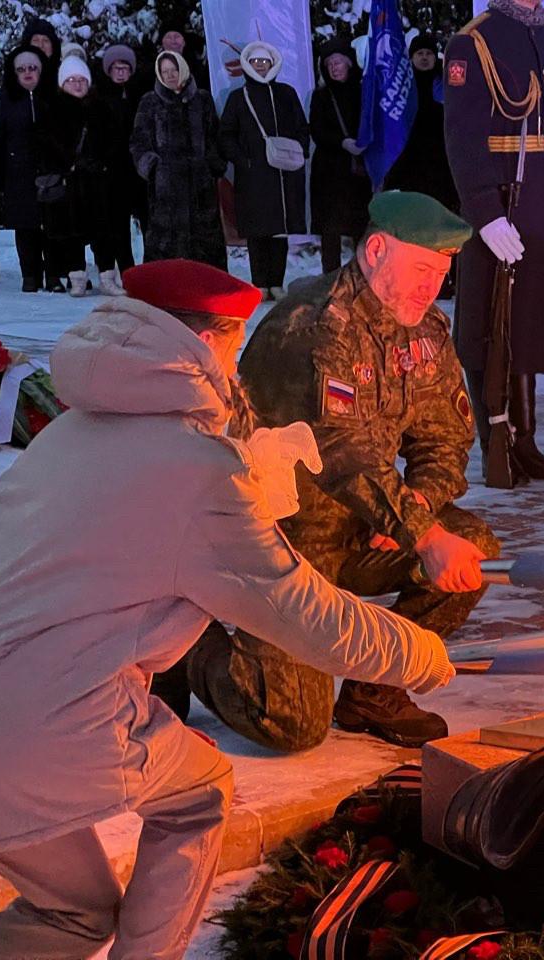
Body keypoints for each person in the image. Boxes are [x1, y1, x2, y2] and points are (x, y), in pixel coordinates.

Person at [0, 258, 454, 960]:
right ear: (209, 342)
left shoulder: (72, 433)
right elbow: (302, 614)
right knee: (197, 796)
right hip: (36, 722)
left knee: (72, 914)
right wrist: (422, 654)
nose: (236, 365)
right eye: (235, 344)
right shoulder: (194, 467)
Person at [157, 192, 494, 751]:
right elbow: (340, 450)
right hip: (280, 539)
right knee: (291, 724)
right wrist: (419, 531)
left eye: (441, 273)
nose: (432, 287)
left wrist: (417, 504)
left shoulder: (425, 328)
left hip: (365, 525)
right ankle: (187, 646)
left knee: (472, 548)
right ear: (377, 251)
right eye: (422, 270)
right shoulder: (316, 325)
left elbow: (446, 436)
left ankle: (373, 692)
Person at [444, 0, 544, 484]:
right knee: (489, 323)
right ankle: (496, 445)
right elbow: (462, 137)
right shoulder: (473, 42)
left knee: (526, 323)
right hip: (502, 199)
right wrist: (484, 211)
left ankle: (525, 442)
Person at [219, 39, 309, 301]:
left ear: (273, 64)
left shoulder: (286, 93)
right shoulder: (238, 97)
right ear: (247, 64)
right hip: (253, 176)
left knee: (280, 230)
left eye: (264, 61)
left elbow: (301, 126)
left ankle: (277, 282)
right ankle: (259, 282)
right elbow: (226, 134)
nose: (259, 66)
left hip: (284, 173)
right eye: (255, 61)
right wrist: (242, 160)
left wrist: (300, 151)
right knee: (257, 231)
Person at [131, 49, 226, 268]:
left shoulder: (202, 99)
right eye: (165, 71)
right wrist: (153, 167)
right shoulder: (150, 102)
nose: (170, 75)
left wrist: (213, 165)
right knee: (166, 248)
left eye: (174, 70)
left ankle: (208, 285)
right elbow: (139, 142)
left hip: (201, 186)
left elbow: (214, 136)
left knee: (206, 245)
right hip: (166, 189)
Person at [42, 56, 118, 297]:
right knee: (71, 232)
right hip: (70, 181)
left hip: (97, 180)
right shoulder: (53, 111)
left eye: (81, 79)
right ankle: (76, 277)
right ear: (62, 83)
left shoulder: (101, 108)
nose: (77, 84)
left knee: (103, 232)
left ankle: (107, 277)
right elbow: (47, 146)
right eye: (71, 80)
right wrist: (66, 165)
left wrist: (102, 165)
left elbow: (113, 142)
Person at [0, 45, 51, 292]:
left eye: (32, 68)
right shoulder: (6, 100)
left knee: (51, 224)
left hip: (48, 170)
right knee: (24, 225)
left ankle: (53, 274)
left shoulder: (51, 97)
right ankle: (29, 275)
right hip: (17, 171)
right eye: (21, 69)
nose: (28, 73)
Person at [308, 38, 370, 274]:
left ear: (349, 63)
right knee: (330, 229)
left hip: (358, 172)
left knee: (360, 226)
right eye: (329, 64)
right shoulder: (321, 96)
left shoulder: (365, 93)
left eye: (338, 62)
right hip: (329, 172)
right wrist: (343, 142)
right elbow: (317, 129)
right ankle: (331, 278)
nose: (334, 68)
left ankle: (361, 275)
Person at [383, 34, 460, 214]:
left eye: (428, 53)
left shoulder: (445, 82)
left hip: (440, 157)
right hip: (409, 157)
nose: (424, 57)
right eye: (419, 53)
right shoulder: (401, 86)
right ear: (412, 57)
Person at [97, 43, 143, 279]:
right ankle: (127, 271)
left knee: (147, 222)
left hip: (139, 170)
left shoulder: (141, 96)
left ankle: (151, 271)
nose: (121, 72)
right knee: (118, 226)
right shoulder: (101, 98)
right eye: (116, 68)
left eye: (125, 67)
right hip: (113, 171)